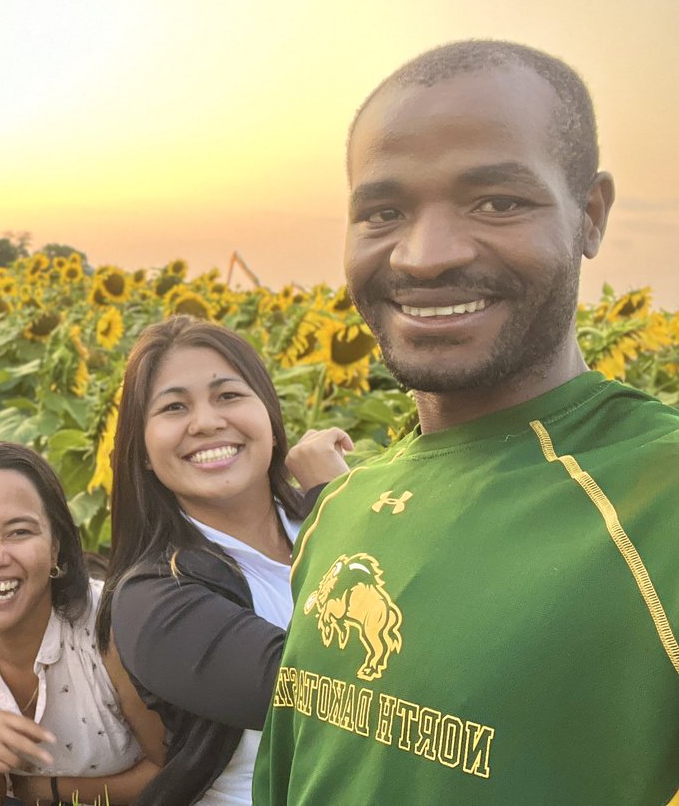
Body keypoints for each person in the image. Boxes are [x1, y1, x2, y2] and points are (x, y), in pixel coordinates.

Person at [254, 40, 679, 804]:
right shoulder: (341, 511)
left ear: (590, 214)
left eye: (498, 202)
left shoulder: (659, 501)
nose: (423, 257)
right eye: (383, 212)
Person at [92, 316, 350, 805]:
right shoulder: (153, 598)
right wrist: (341, 497)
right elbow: (330, 692)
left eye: (228, 395)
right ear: (142, 450)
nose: (207, 422)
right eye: (174, 407)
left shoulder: (317, 523)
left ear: (270, 416)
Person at [0, 441, 166, 806]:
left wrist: (50, 790)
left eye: (19, 531)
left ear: (55, 547)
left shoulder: (111, 626)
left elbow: (175, 771)